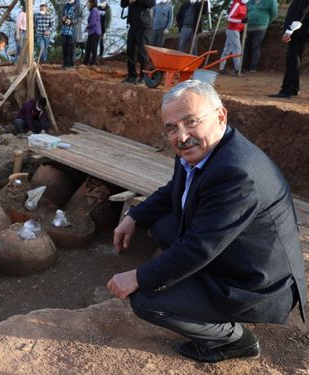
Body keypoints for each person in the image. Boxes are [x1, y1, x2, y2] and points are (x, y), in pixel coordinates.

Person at [107, 80, 306, 363]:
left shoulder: (237, 173)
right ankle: (192, 288)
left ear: (221, 116)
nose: (181, 136)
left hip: (255, 284)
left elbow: (199, 248)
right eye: (171, 128)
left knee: (147, 300)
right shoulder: (201, 150)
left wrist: (138, 276)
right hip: (234, 255)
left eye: (190, 121)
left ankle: (234, 340)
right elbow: (174, 188)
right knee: (163, 226)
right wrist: (133, 216)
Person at [268, 0, 309, 99]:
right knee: (294, 60)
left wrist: (289, 30)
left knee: (293, 60)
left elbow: (301, 11)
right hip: (301, 31)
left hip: (299, 32)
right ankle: (293, 88)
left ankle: (288, 90)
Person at [121, 0, 155, 83]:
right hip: (133, 24)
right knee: (130, 51)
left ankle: (144, 77)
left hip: (144, 26)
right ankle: (131, 76)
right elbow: (123, 4)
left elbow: (151, 3)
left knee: (143, 53)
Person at [244, 0, 277, 72]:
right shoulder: (249, 2)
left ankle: (253, 67)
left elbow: (274, 13)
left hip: (261, 27)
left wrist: (267, 21)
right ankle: (243, 67)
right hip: (248, 28)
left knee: (255, 46)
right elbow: (245, 12)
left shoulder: (271, 1)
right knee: (245, 47)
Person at [218, 0, 249, 75]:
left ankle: (221, 68)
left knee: (227, 50)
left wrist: (243, 25)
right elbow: (229, 18)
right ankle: (237, 69)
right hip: (233, 30)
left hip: (237, 30)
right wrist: (241, 20)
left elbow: (242, 19)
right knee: (237, 49)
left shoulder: (244, 6)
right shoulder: (237, 4)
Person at [60, 0, 82, 69]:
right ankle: (65, 63)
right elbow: (62, 15)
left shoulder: (78, 5)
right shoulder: (65, 5)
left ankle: (71, 65)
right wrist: (63, 19)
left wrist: (72, 21)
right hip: (64, 30)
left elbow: (81, 17)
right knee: (65, 47)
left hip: (73, 31)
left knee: (71, 48)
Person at [83, 0, 103, 65]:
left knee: (93, 48)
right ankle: (86, 62)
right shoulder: (93, 10)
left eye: (88, 2)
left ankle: (93, 62)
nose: (87, 4)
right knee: (88, 47)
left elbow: (93, 22)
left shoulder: (94, 10)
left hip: (95, 32)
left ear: (92, 3)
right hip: (92, 32)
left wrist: (87, 27)